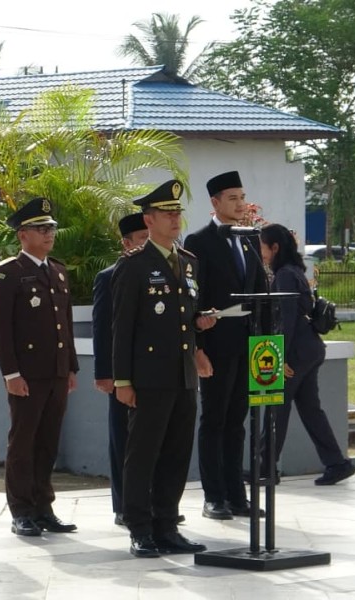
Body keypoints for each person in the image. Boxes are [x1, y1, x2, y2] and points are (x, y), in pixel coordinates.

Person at [111, 180, 215, 558]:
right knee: (143, 454)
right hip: (149, 376)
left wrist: (199, 333)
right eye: (167, 214)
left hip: (183, 374)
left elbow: (184, 316)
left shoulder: (189, 262)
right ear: (148, 219)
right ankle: (140, 528)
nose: (175, 220)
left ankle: (167, 525)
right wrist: (122, 379)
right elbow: (122, 329)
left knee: (176, 453)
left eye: (177, 213)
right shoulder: (135, 266)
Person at [0, 197, 79, 537]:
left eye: (51, 228)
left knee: (48, 441)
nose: (49, 233)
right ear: (22, 234)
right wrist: (11, 374)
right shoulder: (9, 272)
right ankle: (21, 510)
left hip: (54, 371)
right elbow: (0, 328)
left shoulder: (56, 270)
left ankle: (43, 506)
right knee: (23, 442)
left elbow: (64, 323)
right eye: (41, 229)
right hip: (26, 374)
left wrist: (70, 367)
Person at [183, 171, 268, 520]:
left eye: (242, 197)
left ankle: (237, 494)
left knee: (238, 422)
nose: (240, 204)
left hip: (249, 344)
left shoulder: (249, 238)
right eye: (232, 198)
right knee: (214, 419)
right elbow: (193, 299)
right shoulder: (199, 241)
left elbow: (261, 290)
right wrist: (198, 345)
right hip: (217, 343)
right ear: (215, 202)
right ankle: (213, 495)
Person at [257, 224, 355, 485]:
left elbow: (286, 319)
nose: (261, 253)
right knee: (311, 410)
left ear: (275, 247)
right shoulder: (295, 272)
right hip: (310, 348)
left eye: (263, 247)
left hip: (297, 352)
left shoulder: (285, 276)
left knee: (276, 408)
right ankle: (337, 462)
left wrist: (282, 359)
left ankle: (266, 468)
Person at [92, 212, 149, 527]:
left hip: (153, 370)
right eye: (141, 239)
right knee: (123, 438)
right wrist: (105, 373)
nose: (146, 245)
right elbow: (103, 329)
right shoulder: (109, 276)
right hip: (121, 372)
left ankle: (151, 502)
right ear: (126, 243)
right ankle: (123, 504)